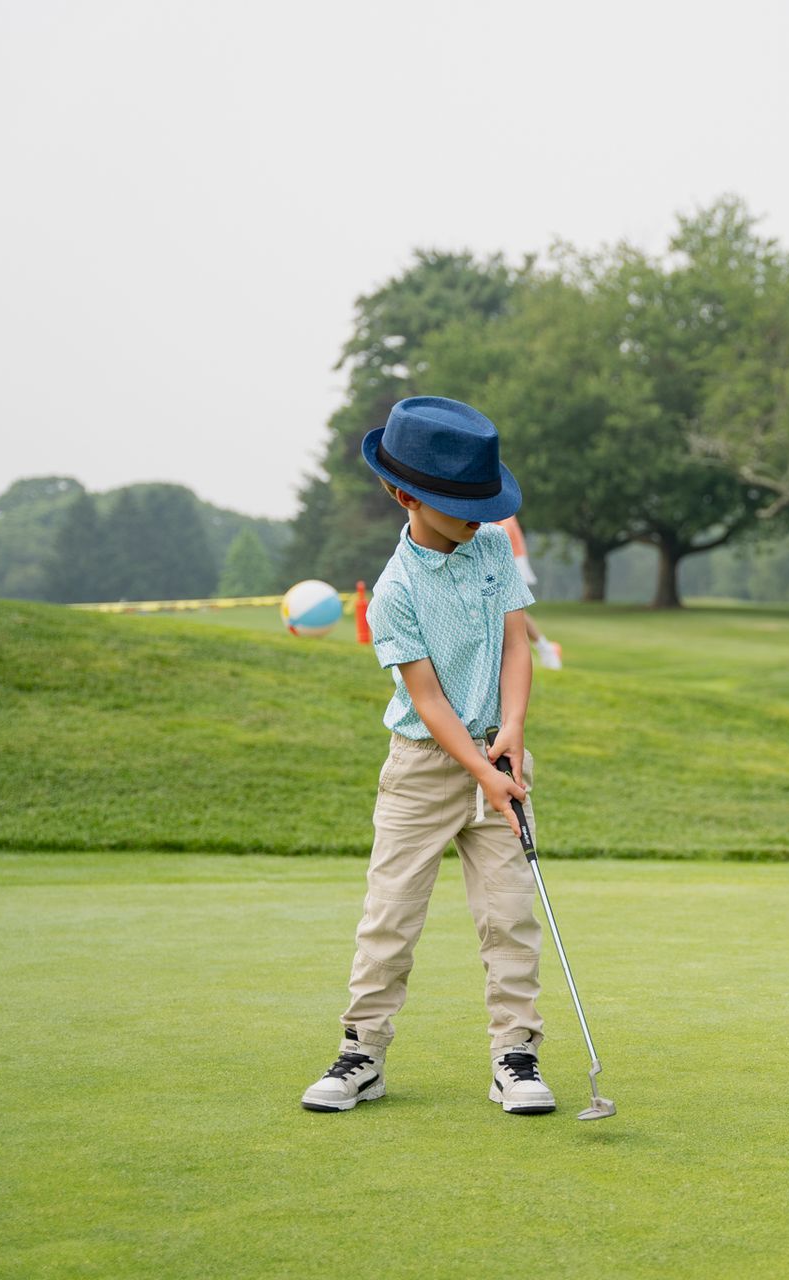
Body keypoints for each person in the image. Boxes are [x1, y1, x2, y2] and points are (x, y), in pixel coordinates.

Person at [301, 396, 555, 1116]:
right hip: (422, 767)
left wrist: (513, 731)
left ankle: (517, 1056)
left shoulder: (494, 549)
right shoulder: (394, 592)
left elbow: (515, 643)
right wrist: (479, 768)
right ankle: (362, 1054)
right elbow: (431, 700)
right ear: (406, 494)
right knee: (391, 914)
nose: (477, 514)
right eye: (459, 501)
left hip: (499, 759)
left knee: (509, 915)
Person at [498, 516, 563, 669]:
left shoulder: (499, 499)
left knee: (510, 608)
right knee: (506, 609)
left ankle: (545, 649)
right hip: (500, 556)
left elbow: (505, 526)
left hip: (509, 556)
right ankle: (545, 648)